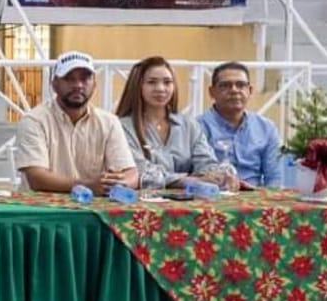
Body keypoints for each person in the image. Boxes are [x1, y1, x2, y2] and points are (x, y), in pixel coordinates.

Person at [16, 51, 138, 196]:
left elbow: (131, 173)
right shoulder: (34, 120)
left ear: (94, 84)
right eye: (69, 79)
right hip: (42, 210)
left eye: (85, 79)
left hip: (92, 208)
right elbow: (37, 179)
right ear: (54, 84)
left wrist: (118, 184)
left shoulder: (109, 122)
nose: (78, 85)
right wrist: (89, 186)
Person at [115, 55, 222, 189]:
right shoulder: (122, 127)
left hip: (191, 199)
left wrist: (216, 175)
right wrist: (184, 181)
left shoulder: (189, 125)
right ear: (137, 86)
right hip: (145, 202)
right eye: (151, 82)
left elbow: (206, 162)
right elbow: (140, 172)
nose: (160, 88)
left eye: (167, 82)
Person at [197, 61, 282, 189]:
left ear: (250, 91)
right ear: (211, 92)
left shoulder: (267, 128)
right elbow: (196, 174)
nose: (234, 90)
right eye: (225, 85)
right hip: (212, 198)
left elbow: (275, 178)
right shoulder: (196, 128)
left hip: (255, 199)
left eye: (241, 85)